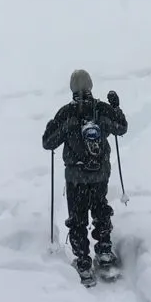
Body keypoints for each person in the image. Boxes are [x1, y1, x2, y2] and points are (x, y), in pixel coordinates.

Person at [42, 69, 128, 284]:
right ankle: (105, 253)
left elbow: (48, 143)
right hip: (99, 174)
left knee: (78, 218)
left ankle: (83, 264)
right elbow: (121, 128)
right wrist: (116, 108)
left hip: (76, 177)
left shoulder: (66, 113)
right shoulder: (100, 109)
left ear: (71, 88)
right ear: (90, 86)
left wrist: (52, 126)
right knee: (101, 210)